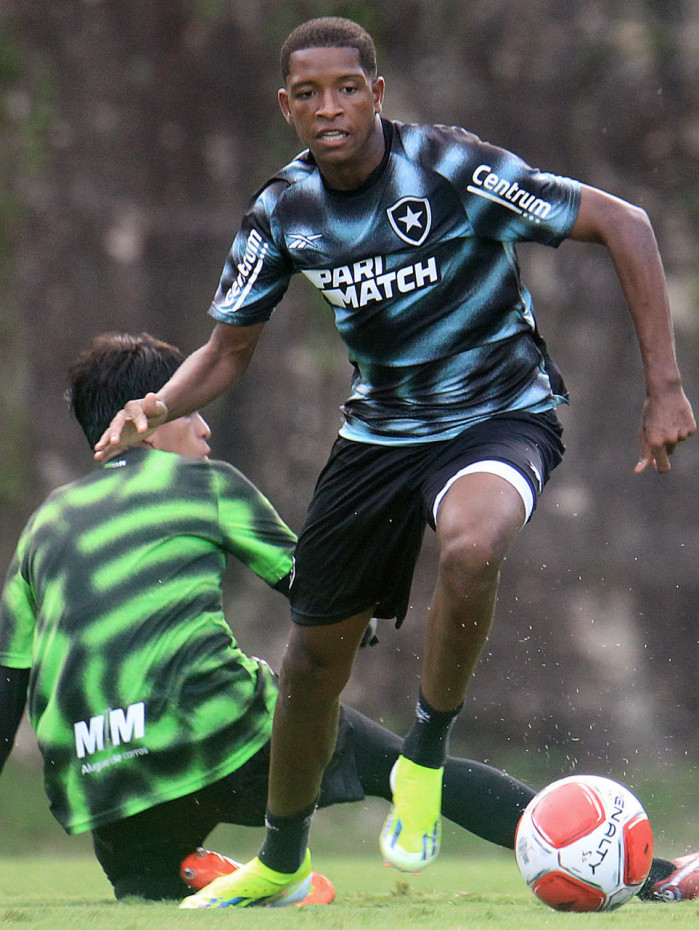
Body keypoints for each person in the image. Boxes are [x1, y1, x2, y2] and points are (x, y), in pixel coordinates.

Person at [92, 17, 696, 909]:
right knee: (308, 667)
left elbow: (624, 221)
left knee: (471, 547)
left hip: (499, 414)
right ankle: (283, 860)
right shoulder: (283, 210)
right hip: (378, 438)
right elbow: (227, 349)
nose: (329, 108)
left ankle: (423, 757)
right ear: (286, 107)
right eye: (308, 94)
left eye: (346, 89)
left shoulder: (452, 169)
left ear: (377, 93)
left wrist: (664, 387)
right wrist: (159, 403)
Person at [1, 332, 693, 907]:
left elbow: (9, 691)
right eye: (190, 408)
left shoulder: (39, 529)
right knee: (410, 769)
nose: (206, 424)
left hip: (102, 781)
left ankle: (191, 869)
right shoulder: (205, 485)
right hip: (224, 740)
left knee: (137, 879)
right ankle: (655, 876)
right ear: (147, 418)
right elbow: (313, 590)